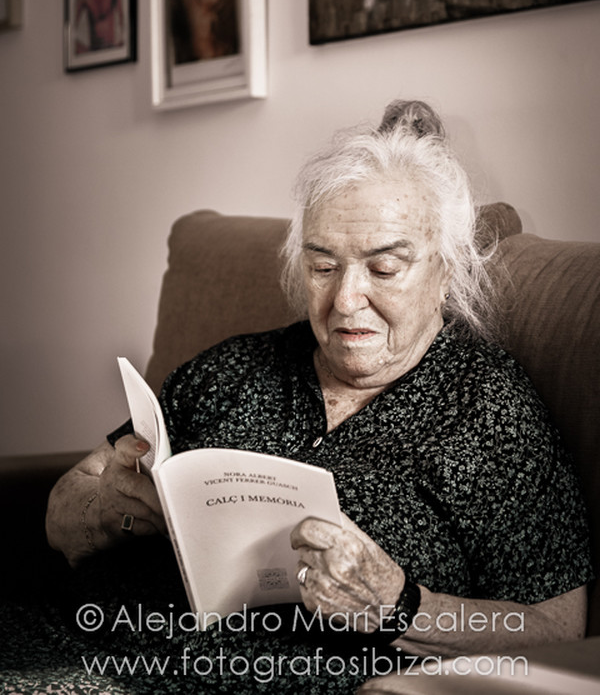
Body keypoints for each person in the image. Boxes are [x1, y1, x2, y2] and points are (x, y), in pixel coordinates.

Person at [2, 101, 592, 694]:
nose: (344, 300)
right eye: (322, 266)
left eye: (384, 268)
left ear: (448, 267)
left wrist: (401, 607)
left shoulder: (489, 411)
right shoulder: (231, 369)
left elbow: (557, 629)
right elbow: (66, 505)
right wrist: (103, 510)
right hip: (70, 636)